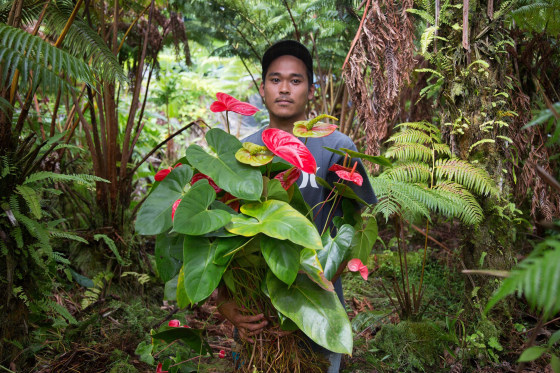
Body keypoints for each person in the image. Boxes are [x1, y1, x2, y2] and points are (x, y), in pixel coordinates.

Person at [217, 40, 376, 373]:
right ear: (262, 88)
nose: (284, 88)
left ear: (310, 89)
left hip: (316, 299)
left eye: (296, 80)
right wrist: (225, 301)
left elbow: (354, 225)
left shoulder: (337, 146)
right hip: (257, 308)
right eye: (275, 80)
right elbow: (225, 232)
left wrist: (322, 270)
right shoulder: (245, 152)